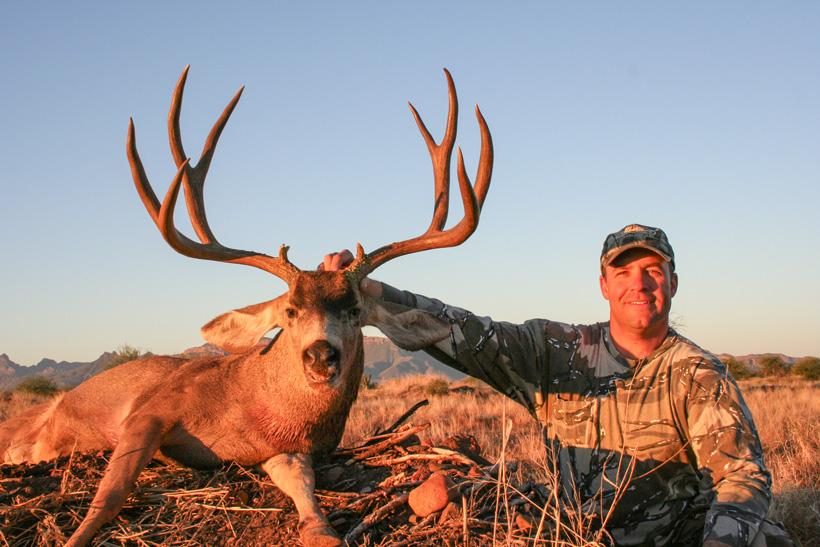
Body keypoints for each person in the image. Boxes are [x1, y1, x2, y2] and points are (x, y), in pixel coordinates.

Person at [324, 223, 796, 547]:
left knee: (765, 537)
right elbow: (458, 330)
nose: (640, 284)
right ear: (604, 285)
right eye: (624, 272)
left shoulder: (697, 374)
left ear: (672, 283)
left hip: (679, 539)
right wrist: (368, 296)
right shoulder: (554, 350)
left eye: (653, 271)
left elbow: (740, 478)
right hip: (576, 535)